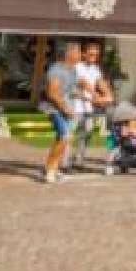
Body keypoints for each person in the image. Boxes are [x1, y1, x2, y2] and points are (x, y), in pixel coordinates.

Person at [39, 42, 80, 184]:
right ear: (69, 54)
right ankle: (50, 170)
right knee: (64, 136)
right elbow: (52, 93)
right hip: (53, 108)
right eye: (78, 52)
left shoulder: (73, 70)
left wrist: (91, 97)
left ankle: (51, 168)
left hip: (65, 107)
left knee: (62, 139)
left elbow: (71, 90)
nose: (80, 55)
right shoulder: (56, 69)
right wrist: (65, 108)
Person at [68, 41, 113, 171]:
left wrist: (109, 94)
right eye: (91, 55)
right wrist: (94, 96)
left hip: (88, 107)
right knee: (68, 135)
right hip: (74, 106)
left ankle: (78, 161)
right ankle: (63, 164)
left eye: (96, 55)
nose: (94, 57)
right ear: (84, 54)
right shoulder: (77, 67)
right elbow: (81, 84)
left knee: (85, 135)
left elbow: (101, 82)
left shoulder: (95, 68)